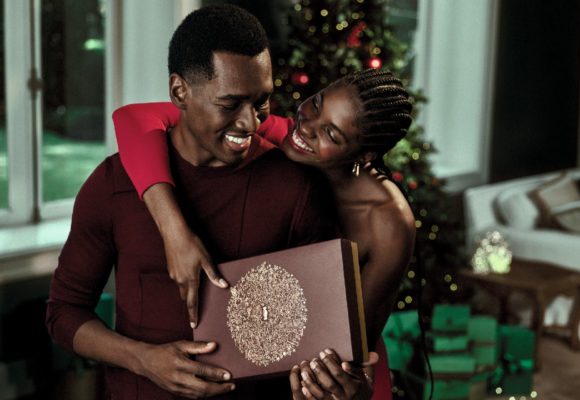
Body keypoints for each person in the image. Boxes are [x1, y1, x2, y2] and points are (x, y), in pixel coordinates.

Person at [46, 5, 362, 399]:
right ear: (179, 91)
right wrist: (142, 359)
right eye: (230, 104)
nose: (250, 123)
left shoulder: (295, 185)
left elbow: (325, 330)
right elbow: (63, 313)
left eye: (261, 101)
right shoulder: (113, 184)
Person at [112, 68, 416, 400]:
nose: (308, 127)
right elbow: (133, 117)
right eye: (316, 104)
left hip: (338, 382)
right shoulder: (287, 136)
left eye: (331, 133)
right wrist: (174, 232)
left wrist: (341, 386)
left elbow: (356, 350)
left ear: (365, 155)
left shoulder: (387, 222)